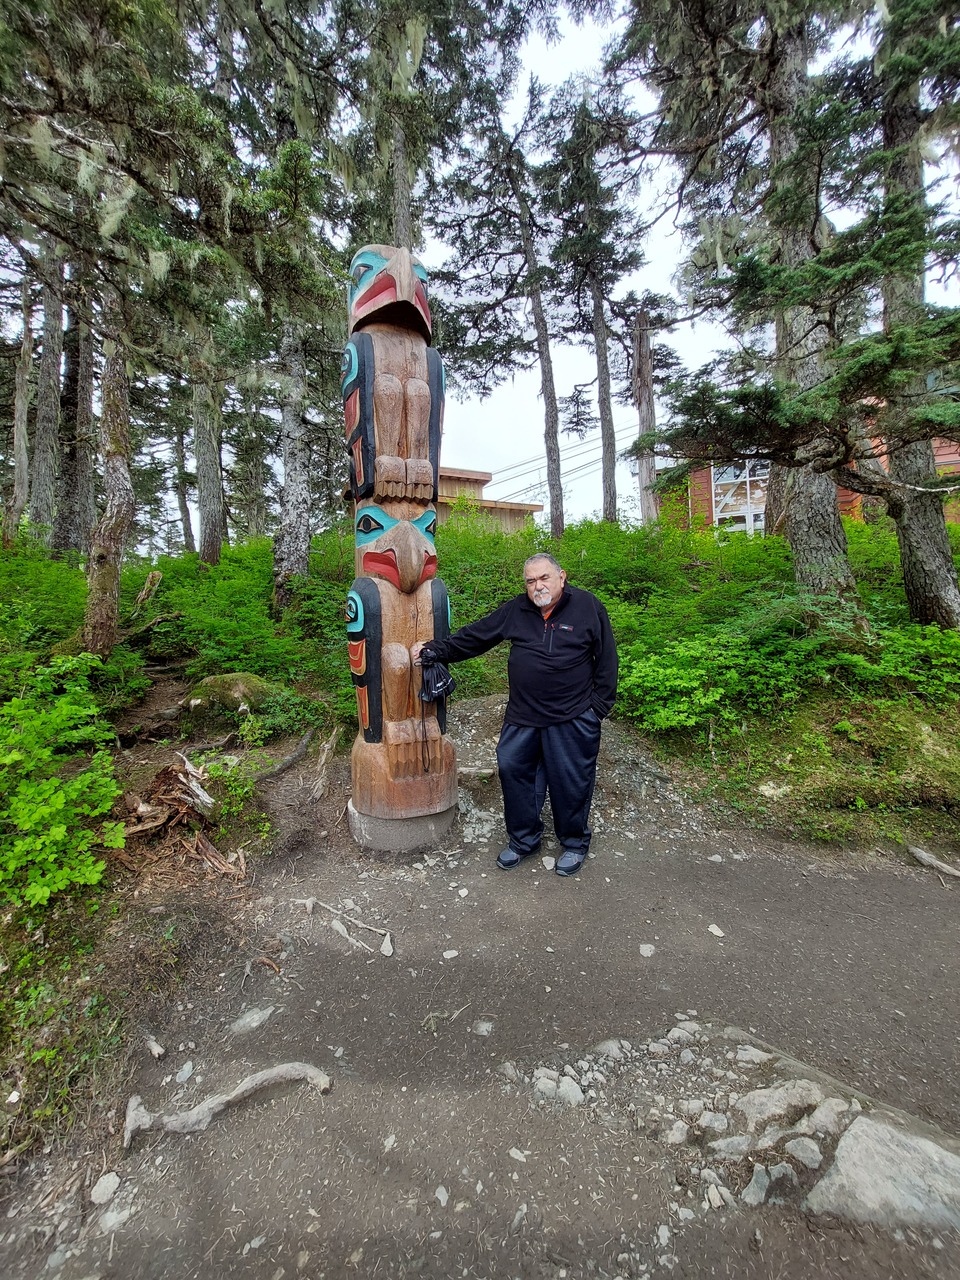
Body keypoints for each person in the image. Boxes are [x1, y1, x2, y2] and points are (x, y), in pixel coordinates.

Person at [413, 553, 617, 878]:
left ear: (561, 576)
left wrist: (597, 710)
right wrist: (436, 650)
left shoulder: (588, 607)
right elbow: (478, 636)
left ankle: (574, 843)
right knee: (513, 772)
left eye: (544, 578)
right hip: (522, 716)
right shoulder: (517, 609)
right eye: (531, 580)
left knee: (572, 782)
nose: (537, 586)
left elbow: (607, 659)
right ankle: (524, 840)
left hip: (573, 717)